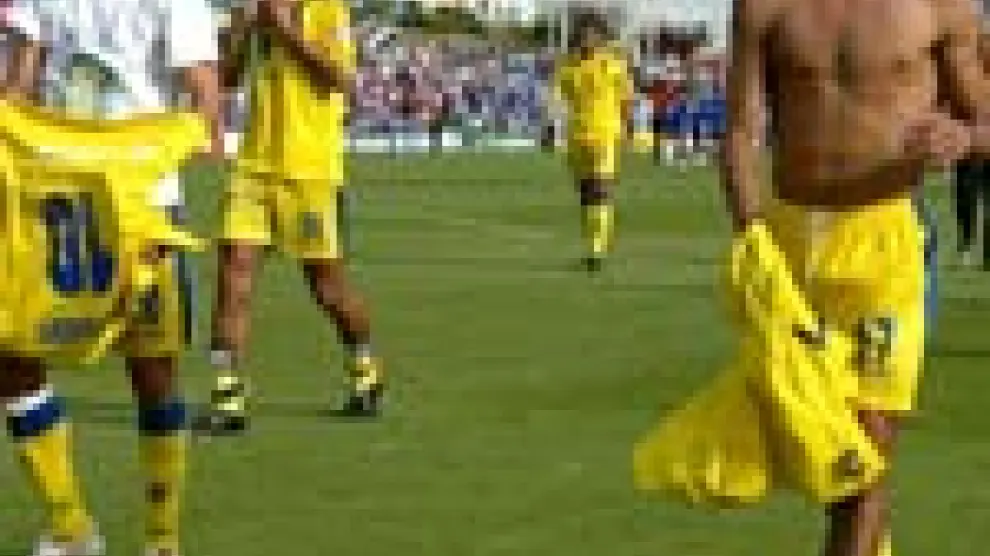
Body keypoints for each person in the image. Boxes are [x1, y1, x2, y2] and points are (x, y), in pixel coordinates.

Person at [635, 1, 987, 555]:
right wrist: (752, 239)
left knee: (862, 463)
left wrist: (965, 138)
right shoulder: (763, 6)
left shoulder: (941, 6)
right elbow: (741, 134)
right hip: (788, 244)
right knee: (824, 451)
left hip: (885, 243)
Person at [2, 0, 223, 554]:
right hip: (61, 207)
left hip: (143, 207)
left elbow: (204, 96)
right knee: (13, 355)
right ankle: (71, 526)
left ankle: (162, 540)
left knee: (153, 373)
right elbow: (20, 85)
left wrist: (175, 140)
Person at [201, 0, 384, 434]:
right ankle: (227, 395)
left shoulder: (328, 9)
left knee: (327, 289)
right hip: (253, 167)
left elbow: (340, 79)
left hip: (310, 170)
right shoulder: (255, 11)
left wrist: (285, 30)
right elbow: (226, 79)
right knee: (233, 273)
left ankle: (365, 364)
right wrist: (243, 31)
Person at [550, 10, 632, 272]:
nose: (587, 39)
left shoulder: (613, 64)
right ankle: (593, 245)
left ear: (601, 36)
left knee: (600, 187)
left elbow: (626, 99)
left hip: (605, 133)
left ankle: (597, 249)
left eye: (592, 34)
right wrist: (551, 127)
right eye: (583, 34)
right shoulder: (568, 66)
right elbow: (558, 100)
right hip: (577, 136)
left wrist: (626, 129)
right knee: (586, 192)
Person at [952, 32, 990, 267]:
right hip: (969, 145)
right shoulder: (966, 79)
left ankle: (988, 253)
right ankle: (966, 244)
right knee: (966, 195)